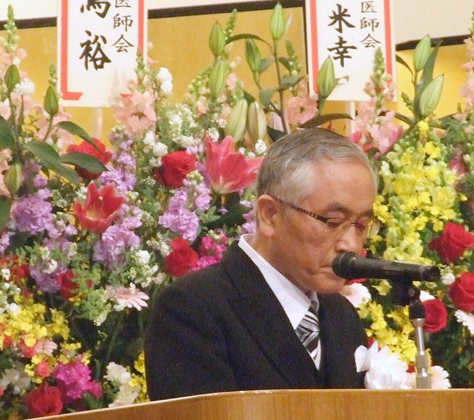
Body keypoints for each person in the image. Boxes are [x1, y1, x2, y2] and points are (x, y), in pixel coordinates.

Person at [144, 128, 378, 400]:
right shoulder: (193, 309)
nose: (350, 244)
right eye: (333, 222)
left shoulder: (341, 316)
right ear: (269, 215)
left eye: (362, 225)